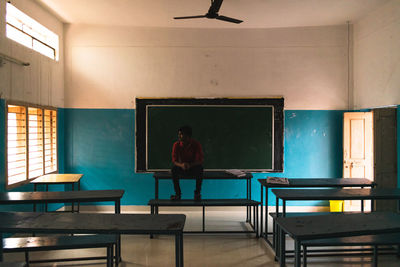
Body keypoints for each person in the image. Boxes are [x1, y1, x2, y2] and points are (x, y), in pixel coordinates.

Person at [170, 125, 204, 200]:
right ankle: (178, 194)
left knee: (200, 169)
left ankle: (197, 194)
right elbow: (174, 160)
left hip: (193, 167)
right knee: (174, 170)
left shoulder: (196, 144)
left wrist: (190, 165)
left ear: (187, 136)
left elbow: (200, 160)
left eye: (181, 134)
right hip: (182, 167)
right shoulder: (176, 145)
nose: (179, 136)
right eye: (179, 134)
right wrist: (181, 165)